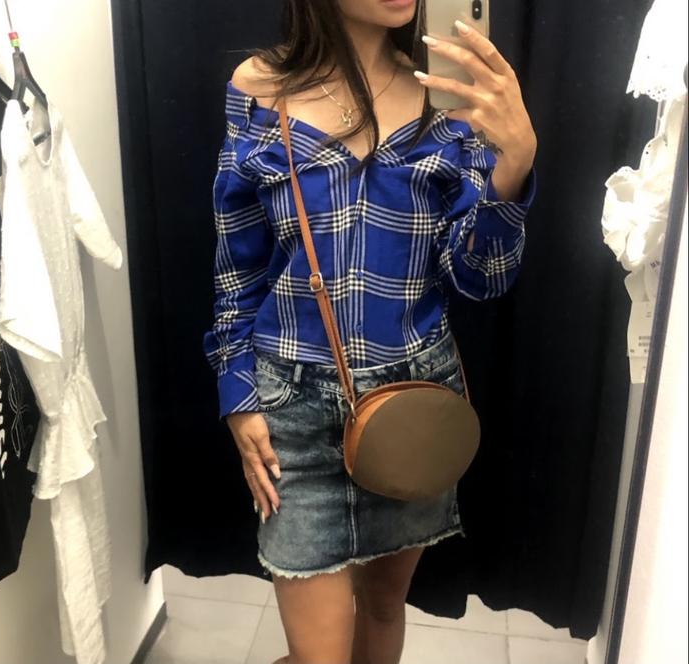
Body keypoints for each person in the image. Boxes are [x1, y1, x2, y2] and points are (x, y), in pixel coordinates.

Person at [202, 1, 537, 662]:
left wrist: (514, 166)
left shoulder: (447, 101)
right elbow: (236, 266)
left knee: (384, 605)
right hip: (293, 412)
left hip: (413, 402)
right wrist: (237, 394)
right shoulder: (258, 90)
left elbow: (480, 279)